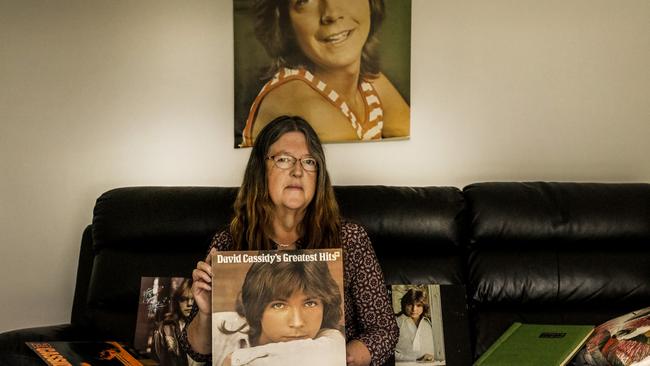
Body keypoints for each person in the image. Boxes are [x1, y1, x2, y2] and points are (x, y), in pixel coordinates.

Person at [180, 115, 398, 365]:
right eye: (283, 159)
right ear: (260, 170)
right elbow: (197, 352)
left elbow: (385, 331)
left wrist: (345, 356)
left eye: (309, 161)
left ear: (319, 176)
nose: (297, 170)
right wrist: (207, 313)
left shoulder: (350, 239)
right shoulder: (229, 241)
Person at [239, 0, 410, 147]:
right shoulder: (301, 101)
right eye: (305, 0)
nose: (332, 13)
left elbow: (422, 150)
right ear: (284, 23)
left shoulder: (369, 83)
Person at [214, 260, 346, 366]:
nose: (297, 323)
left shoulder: (330, 342)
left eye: (310, 303)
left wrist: (237, 359)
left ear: (325, 306)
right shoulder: (216, 327)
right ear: (256, 309)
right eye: (279, 305)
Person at [153, 279, 194, 366]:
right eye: (184, 299)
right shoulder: (165, 327)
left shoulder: (208, 327)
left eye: (193, 299)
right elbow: (157, 359)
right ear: (177, 301)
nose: (189, 304)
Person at [394, 289, 435, 362]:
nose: (414, 309)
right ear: (404, 304)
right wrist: (415, 359)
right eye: (410, 304)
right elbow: (388, 352)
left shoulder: (429, 323)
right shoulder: (396, 322)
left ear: (424, 306)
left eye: (419, 305)